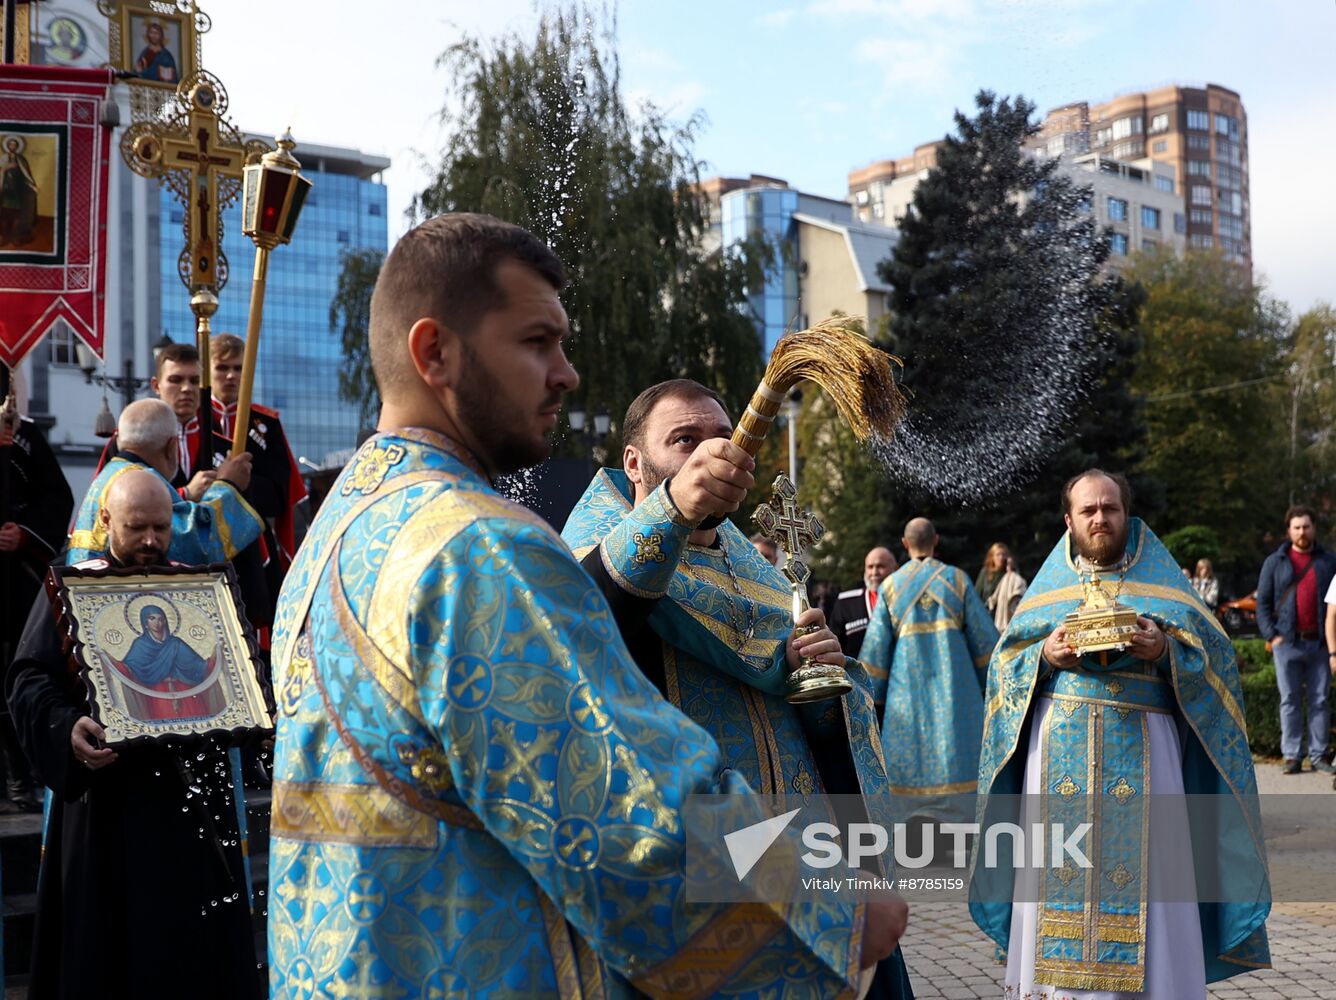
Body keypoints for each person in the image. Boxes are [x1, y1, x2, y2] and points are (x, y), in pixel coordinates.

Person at [267, 214, 905, 998]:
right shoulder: (481, 546)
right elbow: (621, 812)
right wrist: (831, 914)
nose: (566, 374)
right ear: (434, 352)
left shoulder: (343, 527)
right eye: (538, 343)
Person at [563, 381, 914, 997]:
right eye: (684, 441)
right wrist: (673, 507)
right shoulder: (593, 555)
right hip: (697, 860)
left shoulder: (758, 572)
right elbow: (582, 625)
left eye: (719, 438)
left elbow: (814, 728)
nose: (709, 453)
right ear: (634, 463)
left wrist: (825, 687)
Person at [972, 469, 1270, 997]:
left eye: (1109, 508)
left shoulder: (1163, 585)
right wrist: (1043, 655)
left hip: (1147, 754)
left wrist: (1167, 652)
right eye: (1088, 511)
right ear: (1069, 521)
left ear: (1126, 514)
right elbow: (1003, 667)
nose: (1100, 519)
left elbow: (1216, 663)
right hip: (1057, 754)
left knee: (1156, 883)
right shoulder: (1047, 591)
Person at [6, 468, 260, 998]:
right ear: (106, 521)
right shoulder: (73, 585)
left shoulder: (195, 591)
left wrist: (256, 709)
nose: (150, 541)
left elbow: (215, 676)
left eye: (161, 529)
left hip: (192, 809)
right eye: (137, 527)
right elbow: (28, 679)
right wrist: (65, 726)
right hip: (109, 810)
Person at [860, 518, 998, 814]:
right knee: (960, 766)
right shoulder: (957, 580)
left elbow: (874, 654)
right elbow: (985, 644)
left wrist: (871, 700)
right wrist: (994, 689)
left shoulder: (891, 587)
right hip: (957, 697)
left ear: (905, 544)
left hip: (905, 699)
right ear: (935, 540)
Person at [69, 398, 261, 564]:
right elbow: (195, 545)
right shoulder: (139, 482)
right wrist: (229, 485)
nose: (150, 538)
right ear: (172, 446)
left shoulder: (110, 474)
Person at [0, 405, 73, 812]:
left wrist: (23, 533)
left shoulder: (23, 434)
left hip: (15, 581)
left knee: (16, 667)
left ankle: (21, 777)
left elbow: (56, 496)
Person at [1256, 505, 1336, 775]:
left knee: (1320, 700)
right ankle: (1291, 755)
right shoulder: (1274, 562)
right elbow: (1263, 603)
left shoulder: (1329, 561)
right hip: (1287, 643)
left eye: (1307, 526)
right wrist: (1272, 635)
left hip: (1320, 644)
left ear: (1314, 528)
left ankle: (1318, 754)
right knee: (1289, 700)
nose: (1302, 532)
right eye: (1297, 527)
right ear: (1289, 531)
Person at [830, 545, 898, 658]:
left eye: (880, 566)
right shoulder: (846, 603)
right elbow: (835, 646)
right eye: (870, 567)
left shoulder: (905, 600)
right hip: (856, 673)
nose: (874, 572)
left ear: (895, 568)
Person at [0, 135, 38, 247]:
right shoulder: (3, 158)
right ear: (7, 146)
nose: (12, 146)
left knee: (17, 213)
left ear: (17, 146)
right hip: (5, 189)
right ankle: (3, 236)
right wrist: (8, 167)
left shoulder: (21, 159)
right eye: (11, 144)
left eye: (14, 145)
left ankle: (15, 237)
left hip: (18, 189)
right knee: (4, 213)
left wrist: (32, 185)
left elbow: (26, 175)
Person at [990, 554, 1028, 631]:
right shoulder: (1004, 578)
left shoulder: (1017, 578)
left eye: (1010, 564)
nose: (1008, 566)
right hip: (1002, 604)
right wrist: (992, 600)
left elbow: (1021, 589)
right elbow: (997, 591)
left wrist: (1014, 597)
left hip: (1010, 605)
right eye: (1007, 564)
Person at [975, 541, 1010, 613]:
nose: (1001, 558)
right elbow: (977, 594)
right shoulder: (985, 572)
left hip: (1003, 615)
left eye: (1003, 555)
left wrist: (1010, 569)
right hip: (987, 613)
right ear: (992, 557)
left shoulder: (1009, 574)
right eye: (998, 555)